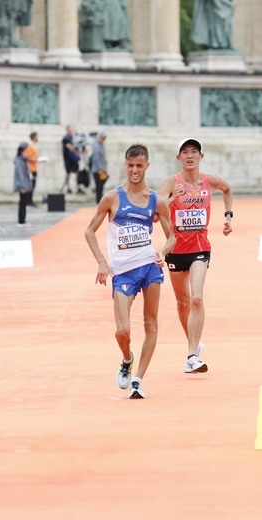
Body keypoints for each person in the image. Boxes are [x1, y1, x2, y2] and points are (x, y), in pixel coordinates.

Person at [84, 143, 175, 399]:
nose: (135, 170)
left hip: (149, 266)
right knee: (122, 331)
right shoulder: (113, 198)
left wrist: (162, 252)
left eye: (140, 166)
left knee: (151, 324)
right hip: (123, 272)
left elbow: (172, 238)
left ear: (147, 166)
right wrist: (102, 262)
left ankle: (138, 380)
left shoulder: (155, 200)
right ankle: (127, 359)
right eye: (131, 165)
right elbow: (89, 231)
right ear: (126, 165)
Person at [158, 138, 233, 374]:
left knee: (197, 299)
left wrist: (228, 216)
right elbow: (155, 212)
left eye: (194, 152)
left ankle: (192, 356)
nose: (190, 156)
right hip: (175, 250)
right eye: (184, 152)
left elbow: (227, 189)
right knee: (182, 302)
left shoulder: (210, 181)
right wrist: (172, 199)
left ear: (201, 157)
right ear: (178, 158)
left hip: (200, 248)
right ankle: (194, 341)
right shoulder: (170, 182)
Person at [13, 141, 31, 228]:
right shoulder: (19, 160)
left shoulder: (23, 158)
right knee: (22, 203)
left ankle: (23, 220)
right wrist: (23, 186)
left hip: (25, 183)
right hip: (22, 184)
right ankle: (21, 221)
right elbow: (20, 174)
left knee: (24, 203)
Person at [90, 131, 109, 204]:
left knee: (101, 183)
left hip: (103, 168)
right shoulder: (96, 146)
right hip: (98, 169)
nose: (104, 139)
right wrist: (100, 168)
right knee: (99, 185)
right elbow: (96, 158)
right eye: (103, 137)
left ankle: (99, 198)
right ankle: (98, 200)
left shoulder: (102, 145)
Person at [61, 125, 80, 194]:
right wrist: (76, 152)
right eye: (69, 130)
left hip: (74, 159)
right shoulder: (65, 138)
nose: (71, 131)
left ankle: (78, 187)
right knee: (68, 173)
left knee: (77, 173)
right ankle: (68, 187)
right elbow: (69, 147)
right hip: (68, 159)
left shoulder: (73, 138)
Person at [22, 131, 39, 206]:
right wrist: (34, 160)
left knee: (33, 185)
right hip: (31, 169)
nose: (38, 138)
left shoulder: (33, 146)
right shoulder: (30, 146)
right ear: (34, 137)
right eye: (37, 136)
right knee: (31, 185)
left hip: (34, 168)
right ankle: (29, 201)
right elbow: (26, 157)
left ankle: (30, 200)